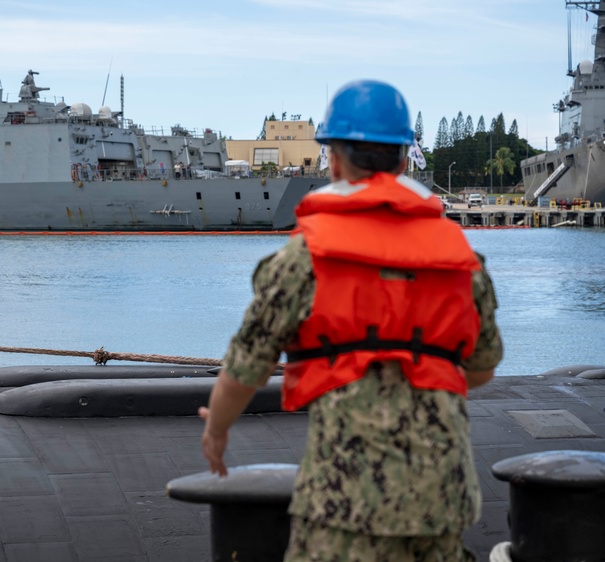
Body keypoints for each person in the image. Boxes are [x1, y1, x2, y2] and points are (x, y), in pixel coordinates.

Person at [198, 80, 503, 561]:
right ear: (404, 160)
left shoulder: (301, 260)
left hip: (342, 502)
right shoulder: (462, 259)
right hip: (441, 498)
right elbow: (482, 368)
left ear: (333, 160)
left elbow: (244, 370)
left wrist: (216, 430)